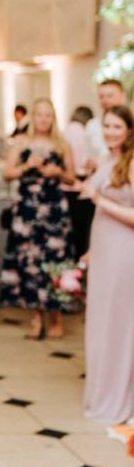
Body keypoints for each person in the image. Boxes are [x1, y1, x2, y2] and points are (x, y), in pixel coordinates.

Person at [0, 98, 75, 339]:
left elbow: (72, 177)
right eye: (40, 114)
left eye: (48, 115)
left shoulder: (62, 145)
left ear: (53, 118)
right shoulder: (22, 142)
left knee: (56, 261)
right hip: (28, 211)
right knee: (31, 262)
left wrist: (58, 173)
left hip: (54, 209)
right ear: (33, 117)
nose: (44, 119)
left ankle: (57, 314)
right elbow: (7, 173)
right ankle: (36, 315)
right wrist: (25, 167)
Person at [81, 105, 134, 425]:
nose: (111, 132)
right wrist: (89, 251)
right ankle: (102, 393)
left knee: (118, 324)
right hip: (102, 252)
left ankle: (118, 397)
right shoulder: (107, 160)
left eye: (117, 126)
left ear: (129, 130)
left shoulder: (131, 164)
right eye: (107, 126)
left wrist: (99, 200)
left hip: (123, 252)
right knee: (100, 324)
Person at [64, 106, 95, 257]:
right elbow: (83, 163)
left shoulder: (66, 130)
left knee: (68, 235)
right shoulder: (83, 132)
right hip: (80, 187)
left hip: (65, 188)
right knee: (80, 236)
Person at [86, 79, 127, 167]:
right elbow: (88, 157)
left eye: (110, 96)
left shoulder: (131, 123)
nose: (105, 100)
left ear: (123, 96)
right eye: (101, 96)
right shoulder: (91, 125)